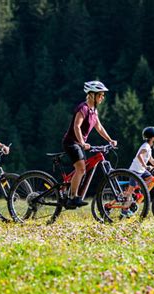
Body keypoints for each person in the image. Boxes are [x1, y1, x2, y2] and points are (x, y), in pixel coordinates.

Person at [62, 81, 117, 209]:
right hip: (71, 142)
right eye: (100, 95)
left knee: (83, 169)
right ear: (92, 95)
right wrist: (81, 142)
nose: (103, 97)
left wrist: (110, 140)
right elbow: (77, 126)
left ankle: (71, 193)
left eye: (103, 95)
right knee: (81, 168)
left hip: (79, 144)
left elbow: (99, 127)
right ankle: (73, 197)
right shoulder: (84, 108)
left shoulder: (93, 111)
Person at [123, 126, 154, 217]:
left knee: (151, 179)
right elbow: (140, 156)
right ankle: (124, 210)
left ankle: (138, 192)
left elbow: (151, 159)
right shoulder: (145, 146)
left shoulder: (149, 147)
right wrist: (146, 166)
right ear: (152, 138)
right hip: (135, 171)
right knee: (130, 191)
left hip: (142, 170)